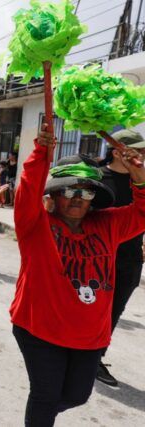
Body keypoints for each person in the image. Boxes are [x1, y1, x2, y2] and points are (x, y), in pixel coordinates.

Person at [10, 124, 145, 425]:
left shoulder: (107, 224)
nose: (77, 198)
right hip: (39, 329)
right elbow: (27, 192)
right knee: (45, 395)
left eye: (85, 191)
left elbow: (142, 211)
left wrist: (139, 174)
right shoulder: (36, 225)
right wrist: (42, 152)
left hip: (90, 335)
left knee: (77, 395)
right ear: (55, 194)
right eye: (69, 190)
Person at [96, 129, 145, 386]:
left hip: (130, 260)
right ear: (118, 152)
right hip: (98, 260)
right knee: (93, 310)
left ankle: (95, 357)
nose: (142, 156)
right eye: (138, 151)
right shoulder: (97, 178)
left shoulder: (142, 180)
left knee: (114, 312)